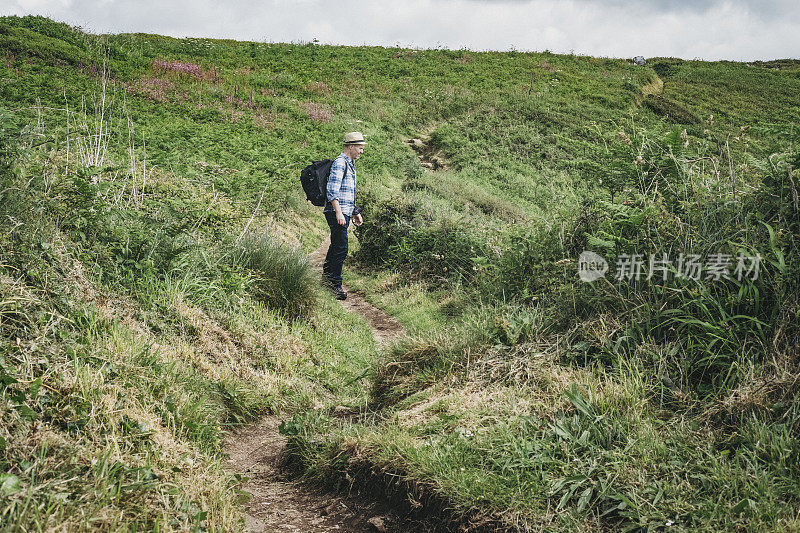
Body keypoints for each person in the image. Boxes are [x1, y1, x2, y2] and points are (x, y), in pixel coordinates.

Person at [323, 131, 365, 300]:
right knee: (341, 248)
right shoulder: (341, 163)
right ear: (351, 146)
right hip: (336, 212)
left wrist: (355, 212)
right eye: (360, 148)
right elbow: (332, 190)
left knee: (336, 246)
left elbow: (347, 192)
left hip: (344, 211)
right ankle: (335, 286)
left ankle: (327, 281)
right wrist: (339, 212)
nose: (361, 151)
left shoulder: (350, 163)